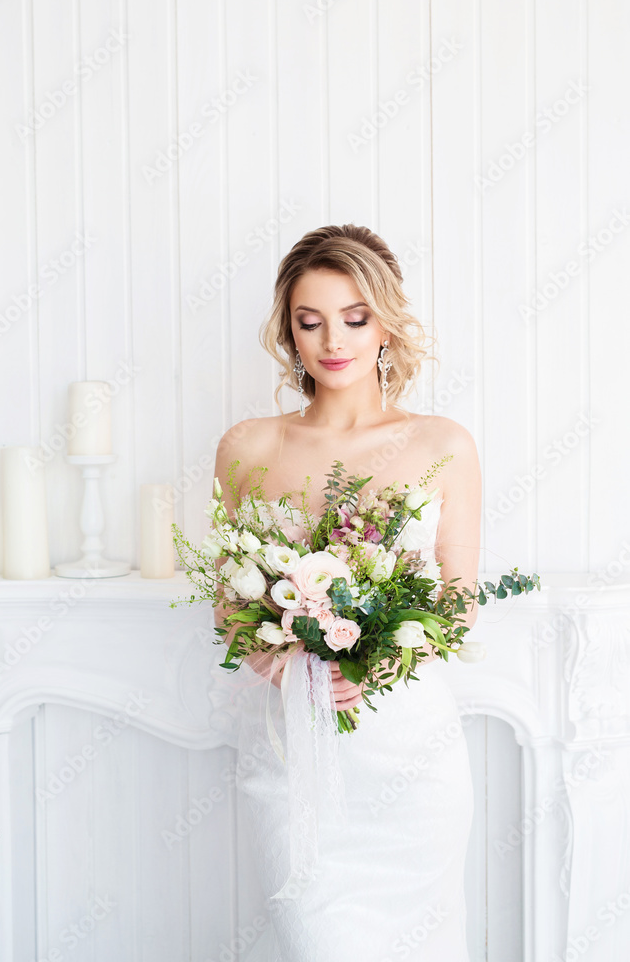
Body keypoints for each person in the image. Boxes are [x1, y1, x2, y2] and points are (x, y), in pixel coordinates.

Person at [209, 223, 481, 961]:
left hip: (409, 755)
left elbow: (457, 599)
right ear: (288, 333)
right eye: (310, 321)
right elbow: (229, 602)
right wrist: (272, 654)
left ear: (386, 324)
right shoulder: (247, 447)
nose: (334, 339)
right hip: (293, 747)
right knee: (316, 940)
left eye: (355, 318)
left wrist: (378, 666)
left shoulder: (442, 444)